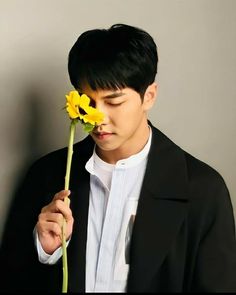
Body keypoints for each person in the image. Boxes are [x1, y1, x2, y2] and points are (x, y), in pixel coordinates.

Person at [0, 23, 236, 293]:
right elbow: (12, 277)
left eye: (114, 102)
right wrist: (45, 251)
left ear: (149, 96)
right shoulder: (46, 175)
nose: (98, 118)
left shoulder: (202, 189)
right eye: (88, 102)